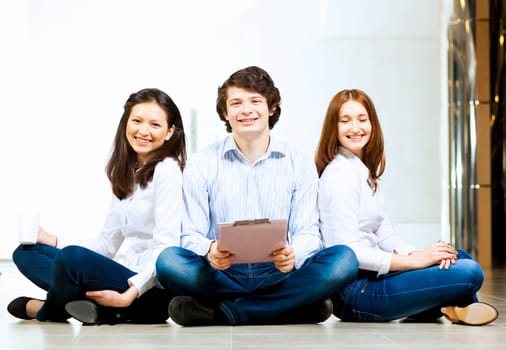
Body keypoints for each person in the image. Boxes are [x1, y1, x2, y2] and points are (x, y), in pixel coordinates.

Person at [155, 66, 358, 326]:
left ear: (271, 108)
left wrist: (294, 253)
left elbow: (308, 232)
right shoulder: (202, 162)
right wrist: (210, 250)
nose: (246, 110)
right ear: (225, 113)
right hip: (222, 274)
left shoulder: (299, 163)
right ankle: (286, 307)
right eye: (236, 103)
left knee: (344, 260)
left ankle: (230, 312)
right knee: (168, 261)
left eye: (255, 101)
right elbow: (190, 235)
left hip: (278, 273)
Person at [315, 88, 498, 326]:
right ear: (334, 127)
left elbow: (384, 230)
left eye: (362, 119)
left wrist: (417, 254)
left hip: (375, 277)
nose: (355, 128)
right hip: (355, 294)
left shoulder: (362, 171)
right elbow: (351, 253)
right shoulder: (341, 175)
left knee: (456, 257)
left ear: (372, 123)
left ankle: (446, 307)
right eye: (345, 120)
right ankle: (453, 306)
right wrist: (417, 262)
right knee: (469, 271)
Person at [8, 88, 186, 324]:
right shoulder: (126, 172)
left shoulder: (169, 170)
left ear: (169, 132)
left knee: (72, 259)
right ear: (126, 124)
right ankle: (93, 308)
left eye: (155, 124)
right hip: (124, 272)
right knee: (26, 254)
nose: (143, 131)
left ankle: (47, 311)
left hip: (148, 288)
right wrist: (51, 239)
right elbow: (106, 245)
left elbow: (167, 249)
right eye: (137, 121)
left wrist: (128, 295)